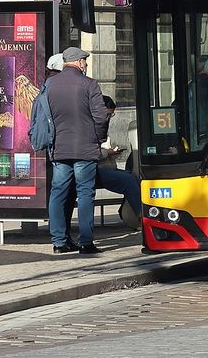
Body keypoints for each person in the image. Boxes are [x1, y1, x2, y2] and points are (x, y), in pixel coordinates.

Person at [46, 46, 109, 255]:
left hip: (60, 148)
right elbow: (100, 117)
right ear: (80, 62)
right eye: (85, 61)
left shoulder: (50, 84)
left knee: (58, 194)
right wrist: (99, 139)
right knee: (84, 194)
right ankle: (85, 242)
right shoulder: (89, 84)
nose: (86, 64)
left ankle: (58, 242)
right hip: (85, 148)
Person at [63, 95, 140, 231]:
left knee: (131, 175)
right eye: (108, 114)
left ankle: (131, 210)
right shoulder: (88, 125)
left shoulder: (99, 124)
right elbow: (89, 152)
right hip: (92, 169)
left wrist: (111, 154)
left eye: (111, 115)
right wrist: (107, 153)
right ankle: (140, 216)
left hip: (101, 166)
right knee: (128, 180)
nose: (109, 118)